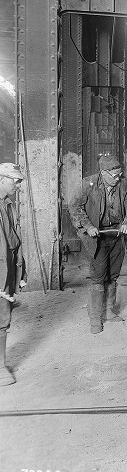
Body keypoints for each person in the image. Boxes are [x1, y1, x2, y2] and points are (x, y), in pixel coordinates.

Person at [69, 154, 127, 334]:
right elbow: (75, 207)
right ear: (103, 172)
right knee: (98, 276)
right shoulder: (88, 184)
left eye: (119, 174)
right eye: (114, 175)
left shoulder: (126, 185)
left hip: (117, 235)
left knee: (113, 275)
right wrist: (88, 225)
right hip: (96, 236)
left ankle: (109, 311)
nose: (117, 178)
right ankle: (95, 318)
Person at [0, 163, 26, 385]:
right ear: (1, 179)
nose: (18, 184)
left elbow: (13, 238)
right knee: (1, 318)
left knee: (3, 318)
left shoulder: (8, 204)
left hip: (6, 265)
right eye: (14, 180)